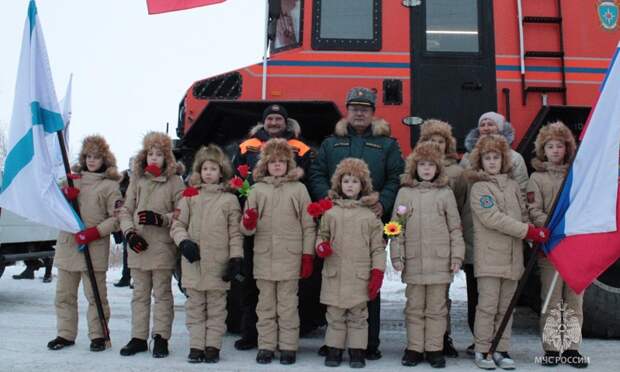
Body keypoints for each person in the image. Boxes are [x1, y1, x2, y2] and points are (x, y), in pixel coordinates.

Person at [309, 87, 404, 360]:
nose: (359, 112)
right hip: (336, 220)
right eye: (354, 108)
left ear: (373, 113)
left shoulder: (387, 144)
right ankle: (334, 343)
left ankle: (367, 344)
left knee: (366, 282)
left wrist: (383, 203)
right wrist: (325, 199)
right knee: (333, 282)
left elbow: (396, 176)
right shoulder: (330, 143)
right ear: (347, 111)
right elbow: (317, 173)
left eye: (365, 108)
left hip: (369, 220)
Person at [231, 104, 316, 351]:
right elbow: (236, 176)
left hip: (288, 224)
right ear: (264, 122)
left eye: (279, 118)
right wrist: (244, 206)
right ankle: (253, 336)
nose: (274, 122)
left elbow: (309, 178)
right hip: (256, 222)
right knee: (253, 288)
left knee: (287, 299)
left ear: (285, 123)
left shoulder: (299, 147)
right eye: (270, 118)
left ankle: (287, 343)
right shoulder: (247, 145)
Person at [464, 135, 549, 369]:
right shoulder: (479, 188)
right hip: (490, 257)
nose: (492, 162)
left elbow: (522, 213)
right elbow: (493, 218)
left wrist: (534, 239)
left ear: (504, 160)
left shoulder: (513, 186)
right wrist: (528, 231)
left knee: (506, 307)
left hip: (513, 257)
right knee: (488, 306)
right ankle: (483, 350)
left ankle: (501, 349)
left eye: (496, 158)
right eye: (487, 158)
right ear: (480, 161)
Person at [459, 111, 529, 355]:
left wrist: (526, 227)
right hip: (475, 234)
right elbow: (460, 195)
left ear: (501, 129)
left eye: (491, 124)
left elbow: (521, 195)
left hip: (507, 236)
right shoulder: (467, 160)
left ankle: (498, 345)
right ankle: (480, 342)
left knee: (501, 300)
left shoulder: (515, 159)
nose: (487, 127)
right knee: (479, 295)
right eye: (482, 124)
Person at [390, 142, 465, 368]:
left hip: (440, 262)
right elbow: (396, 226)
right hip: (413, 262)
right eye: (421, 164)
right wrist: (396, 255)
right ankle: (414, 348)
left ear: (437, 168)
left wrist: (457, 257)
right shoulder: (405, 193)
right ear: (414, 167)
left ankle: (434, 349)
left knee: (437, 309)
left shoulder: (445, 193)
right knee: (414, 307)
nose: (426, 169)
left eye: (430, 165)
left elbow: (455, 228)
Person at [46, 135, 122, 352]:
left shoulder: (110, 186)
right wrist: (64, 197)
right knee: (64, 296)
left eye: (96, 157)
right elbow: (53, 205)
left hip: (93, 248)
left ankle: (99, 336)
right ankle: (65, 334)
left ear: (104, 160)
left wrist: (94, 232)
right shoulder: (71, 180)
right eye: (88, 156)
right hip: (68, 245)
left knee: (96, 296)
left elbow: (116, 218)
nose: (91, 160)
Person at [170, 144, 244, 363]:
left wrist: (235, 258)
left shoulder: (229, 200)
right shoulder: (190, 196)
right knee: (194, 308)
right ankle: (196, 346)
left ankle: (212, 346)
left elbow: (235, 233)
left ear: (221, 172)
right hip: (193, 263)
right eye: (205, 169)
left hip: (218, 265)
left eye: (213, 169)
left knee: (217, 309)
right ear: (199, 172)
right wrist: (183, 243)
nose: (209, 173)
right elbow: (177, 224)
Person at [526, 121, 588, 368]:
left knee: (574, 300)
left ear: (567, 149)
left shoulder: (577, 177)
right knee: (552, 300)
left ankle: (572, 348)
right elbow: (534, 210)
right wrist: (552, 228)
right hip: (550, 247)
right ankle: (552, 349)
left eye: (559, 146)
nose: (554, 150)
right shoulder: (537, 178)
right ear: (543, 149)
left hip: (574, 248)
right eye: (550, 146)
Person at [118, 132, 185, 358]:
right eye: (150, 154)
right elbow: (126, 210)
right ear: (144, 156)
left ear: (166, 157)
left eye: (159, 154)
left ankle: (161, 338)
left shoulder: (175, 181)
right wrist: (129, 233)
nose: (153, 158)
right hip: (138, 246)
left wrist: (161, 219)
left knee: (163, 295)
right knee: (139, 295)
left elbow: (182, 212)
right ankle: (138, 338)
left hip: (162, 247)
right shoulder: (138, 180)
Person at [315, 158, 385, 368]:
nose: (350, 185)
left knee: (358, 316)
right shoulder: (330, 213)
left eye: (355, 182)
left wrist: (378, 272)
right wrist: (321, 246)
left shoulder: (370, 216)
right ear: (339, 184)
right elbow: (322, 235)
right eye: (346, 181)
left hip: (359, 275)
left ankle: (357, 351)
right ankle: (334, 350)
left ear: (362, 186)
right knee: (334, 315)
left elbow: (377, 248)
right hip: (335, 274)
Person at [417, 119, 465, 357]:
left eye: (440, 141)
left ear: (448, 144)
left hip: (444, 239)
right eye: (431, 141)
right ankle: (419, 342)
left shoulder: (457, 172)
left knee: (441, 296)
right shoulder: (415, 169)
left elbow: (463, 204)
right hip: (421, 239)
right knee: (418, 299)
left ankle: (442, 338)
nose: (436, 145)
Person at [114, 158, 133, 288]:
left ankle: (134, 278)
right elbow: (117, 196)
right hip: (124, 216)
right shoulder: (122, 179)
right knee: (126, 249)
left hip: (137, 216)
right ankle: (126, 277)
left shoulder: (142, 178)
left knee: (134, 249)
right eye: (130, 164)